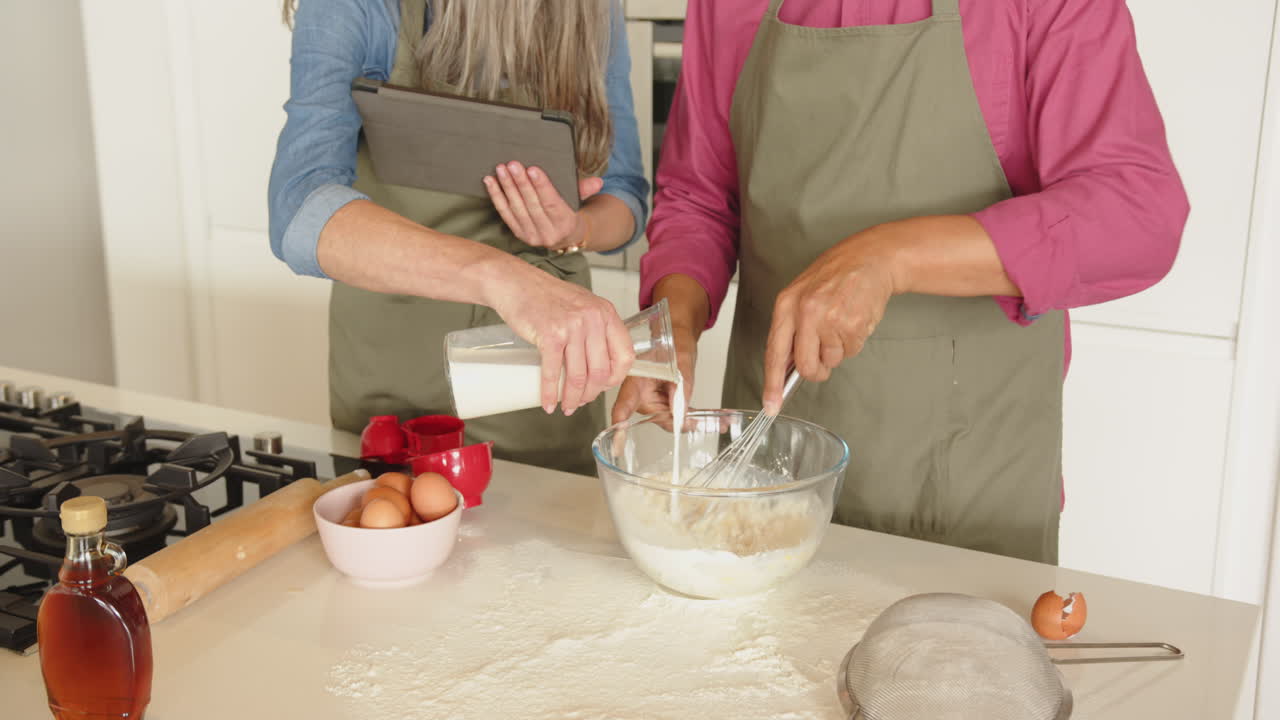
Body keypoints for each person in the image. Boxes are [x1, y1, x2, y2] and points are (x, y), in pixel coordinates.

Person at [614, 0, 1189, 563]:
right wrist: (671, 328)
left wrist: (893, 258)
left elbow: (1138, 214)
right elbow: (699, 200)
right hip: (772, 463)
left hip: (969, 473)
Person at [270, 0, 649, 475]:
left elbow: (624, 196)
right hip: (390, 358)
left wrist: (576, 229)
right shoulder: (363, 8)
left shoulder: (589, 9)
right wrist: (504, 279)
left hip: (537, 375)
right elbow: (299, 209)